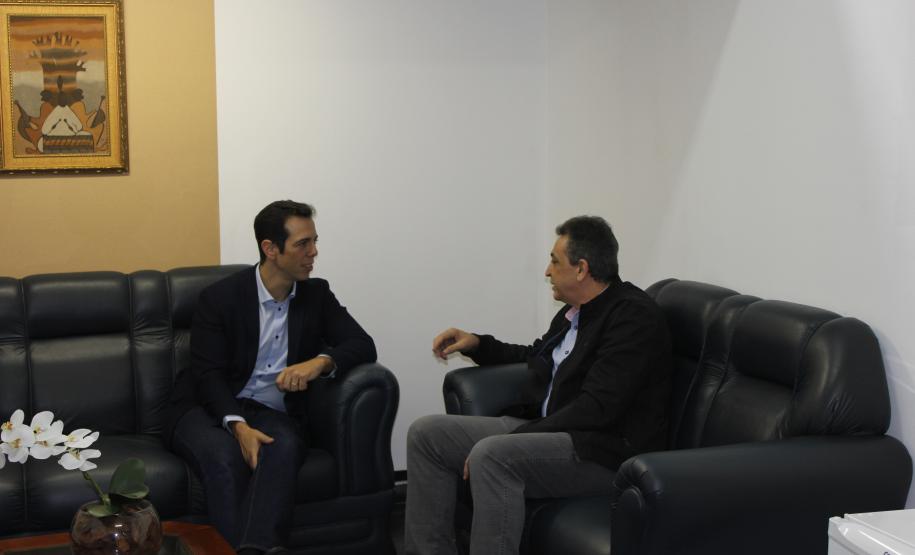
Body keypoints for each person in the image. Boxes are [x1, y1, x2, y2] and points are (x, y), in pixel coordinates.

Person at [405, 215, 672, 555]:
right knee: (427, 435)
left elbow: (597, 409)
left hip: (600, 451)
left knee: (493, 455)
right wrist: (478, 345)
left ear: (581, 269)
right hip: (549, 428)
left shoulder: (632, 318)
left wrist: (518, 437)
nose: (547, 271)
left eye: (554, 261)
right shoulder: (574, 312)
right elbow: (537, 356)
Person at [165, 200, 376, 554]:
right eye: (302, 244)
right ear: (270, 249)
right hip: (206, 407)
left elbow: (362, 344)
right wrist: (238, 427)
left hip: (271, 412)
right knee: (225, 457)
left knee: (285, 445)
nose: (313, 252)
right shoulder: (220, 298)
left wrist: (320, 362)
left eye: (314, 241)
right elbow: (208, 375)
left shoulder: (316, 295)